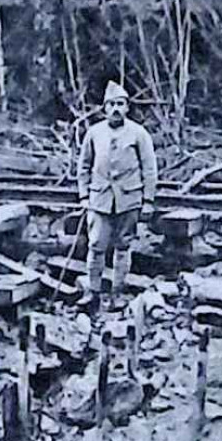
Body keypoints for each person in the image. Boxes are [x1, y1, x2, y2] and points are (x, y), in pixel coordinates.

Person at [75, 80, 158, 313]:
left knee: (123, 246)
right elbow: (83, 167)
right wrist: (83, 196)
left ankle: (117, 294)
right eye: (111, 105)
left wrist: (148, 200)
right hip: (99, 199)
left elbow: (149, 168)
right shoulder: (94, 133)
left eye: (120, 104)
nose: (116, 109)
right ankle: (92, 293)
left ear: (127, 107)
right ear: (104, 108)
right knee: (96, 244)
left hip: (128, 199)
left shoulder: (139, 134)